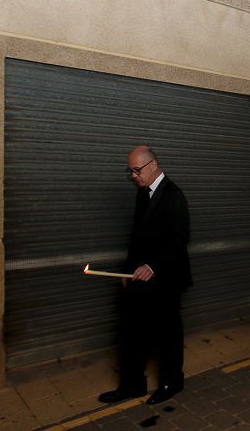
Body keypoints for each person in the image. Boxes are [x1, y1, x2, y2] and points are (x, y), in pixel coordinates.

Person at [98, 145, 192, 406]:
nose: (133, 176)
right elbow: (136, 239)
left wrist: (151, 266)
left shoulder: (174, 195)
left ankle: (171, 382)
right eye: (129, 171)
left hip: (167, 279)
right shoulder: (142, 194)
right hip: (139, 278)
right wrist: (128, 270)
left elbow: (179, 240)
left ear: (153, 165)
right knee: (131, 332)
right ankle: (132, 386)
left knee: (168, 334)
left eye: (137, 170)